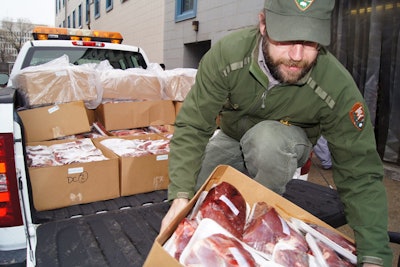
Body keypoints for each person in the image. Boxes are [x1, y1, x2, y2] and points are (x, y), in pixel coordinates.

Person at [161, 0, 393, 266]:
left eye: (309, 43)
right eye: (285, 39)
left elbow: (360, 171)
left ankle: (259, 235)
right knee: (196, 189)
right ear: (263, 24)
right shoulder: (228, 55)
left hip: (284, 141)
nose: (296, 55)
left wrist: (375, 255)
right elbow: (193, 125)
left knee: (267, 142)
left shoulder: (335, 86)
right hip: (232, 136)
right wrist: (180, 196)